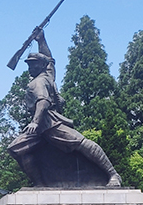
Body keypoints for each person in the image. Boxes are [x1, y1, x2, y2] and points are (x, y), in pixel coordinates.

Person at [7, 29, 122, 187]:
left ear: (41, 66)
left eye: (33, 65)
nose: (30, 68)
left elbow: (43, 102)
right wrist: (41, 40)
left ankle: (113, 174)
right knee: (17, 149)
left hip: (48, 123)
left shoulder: (38, 82)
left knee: (82, 143)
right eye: (29, 65)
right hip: (40, 127)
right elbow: (50, 60)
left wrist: (34, 122)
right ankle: (40, 184)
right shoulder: (47, 75)